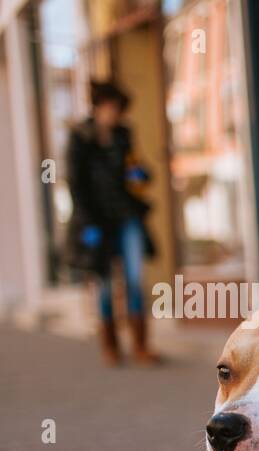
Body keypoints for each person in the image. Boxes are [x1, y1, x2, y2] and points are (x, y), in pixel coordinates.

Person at [66, 80, 160, 366]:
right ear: (97, 107)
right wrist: (88, 223)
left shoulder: (123, 135)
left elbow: (134, 168)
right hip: (97, 220)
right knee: (105, 283)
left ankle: (141, 345)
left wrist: (141, 175)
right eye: (109, 108)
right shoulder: (80, 136)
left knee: (134, 279)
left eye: (118, 109)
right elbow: (76, 183)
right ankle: (110, 346)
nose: (114, 114)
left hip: (126, 217)